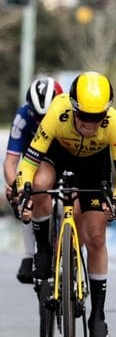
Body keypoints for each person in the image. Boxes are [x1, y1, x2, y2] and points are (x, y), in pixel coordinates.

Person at [13, 72, 116, 337]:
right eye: (83, 116)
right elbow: (29, 163)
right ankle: (43, 249)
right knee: (41, 184)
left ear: (106, 112)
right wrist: (24, 191)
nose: (89, 124)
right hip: (57, 156)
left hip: (94, 167)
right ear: (72, 105)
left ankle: (98, 316)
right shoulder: (58, 111)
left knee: (96, 235)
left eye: (96, 118)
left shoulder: (114, 123)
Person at [4, 76, 62, 284]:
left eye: (45, 116)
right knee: (29, 194)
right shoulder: (22, 116)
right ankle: (30, 254)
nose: (40, 121)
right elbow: (10, 162)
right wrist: (16, 189)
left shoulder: (69, 113)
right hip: (36, 159)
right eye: (36, 116)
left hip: (63, 155)